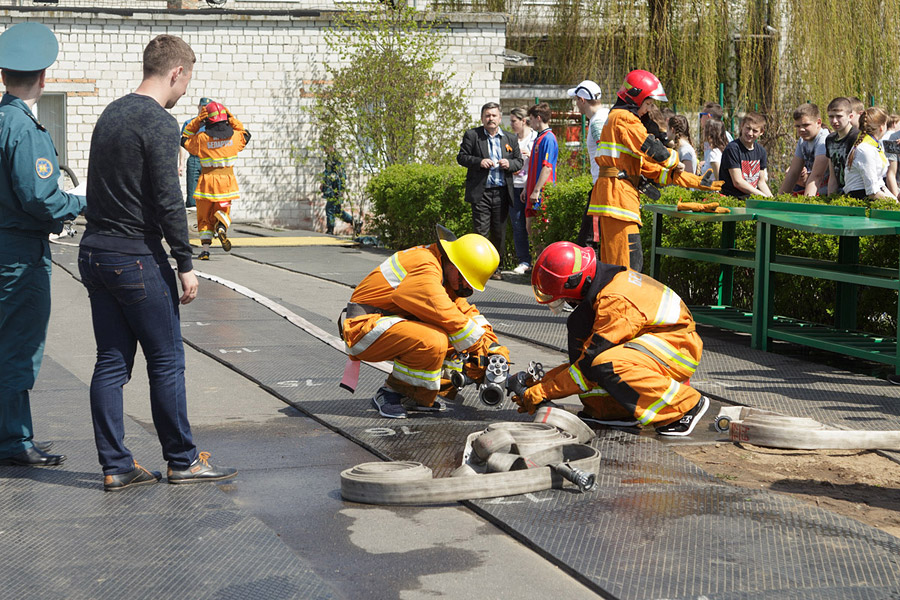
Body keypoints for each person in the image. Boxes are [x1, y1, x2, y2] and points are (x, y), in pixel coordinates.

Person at [80, 34, 236, 491]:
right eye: (186, 80)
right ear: (176, 73)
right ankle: (183, 461)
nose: (185, 91)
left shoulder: (110, 113)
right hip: (135, 257)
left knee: (110, 362)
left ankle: (116, 466)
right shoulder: (160, 124)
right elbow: (169, 200)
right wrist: (185, 262)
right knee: (166, 361)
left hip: (95, 252)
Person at [512, 241, 709, 437]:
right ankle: (611, 412)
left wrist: (544, 391)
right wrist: (542, 382)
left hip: (678, 347)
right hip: (659, 341)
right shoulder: (605, 284)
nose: (569, 303)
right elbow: (582, 361)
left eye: (566, 298)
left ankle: (684, 407)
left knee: (606, 363)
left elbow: (588, 365)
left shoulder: (614, 301)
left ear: (575, 283)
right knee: (594, 359)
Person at [0, 22, 85, 467]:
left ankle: (16, 434)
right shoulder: (24, 128)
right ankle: (13, 441)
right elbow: (41, 198)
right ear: (44, 77)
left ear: (3, 76)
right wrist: (87, 199)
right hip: (20, 254)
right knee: (18, 346)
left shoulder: (1, 120)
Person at [340, 227, 510, 419]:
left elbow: (464, 311)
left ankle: (416, 396)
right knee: (434, 339)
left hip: (384, 324)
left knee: (453, 337)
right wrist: (478, 348)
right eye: (466, 282)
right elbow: (447, 314)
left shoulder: (442, 269)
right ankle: (390, 393)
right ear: (455, 266)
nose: (468, 289)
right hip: (363, 328)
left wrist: (491, 344)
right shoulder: (425, 266)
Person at [583, 70, 722, 270]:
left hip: (615, 198)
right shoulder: (624, 118)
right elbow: (649, 147)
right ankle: (619, 301)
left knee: (618, 266)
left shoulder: (617, 120)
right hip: (618, 200)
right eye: (648, 104)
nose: (648, 110)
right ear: (636, 98)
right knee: (627, 267)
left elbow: (648, 167)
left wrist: (696, 182)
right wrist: (674, 159)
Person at [457, 102, 523, 280]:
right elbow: (461, 157)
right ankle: (478, 267)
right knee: (480, 232)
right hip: (481, 192)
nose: (491, 119)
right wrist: (479, 161)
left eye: (494, 115)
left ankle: (496, 268)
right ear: (482, 118)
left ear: (500, 118)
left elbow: (519, 161)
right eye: (487, 115)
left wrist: (510, 164)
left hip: (501, 192)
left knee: (499, 233)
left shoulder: (510, 138)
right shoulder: (473, 135)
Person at [181, 100, 251, 260]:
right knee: (223, 211)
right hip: (227, 184)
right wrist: (230, 116)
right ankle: (221, 226)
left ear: (207, 121)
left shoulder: (202, 139)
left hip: (206, 184)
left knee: (204, 217)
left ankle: (205, 250)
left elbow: (184, 138)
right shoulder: (235, 137)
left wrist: (198, 120)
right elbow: (245, 132)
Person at [523, 102, 558, 257]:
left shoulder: (549, 139)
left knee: (541, 230)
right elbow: (533, 167)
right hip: (532, 191)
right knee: (531, 228)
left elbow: (547, 167)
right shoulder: (539, 138)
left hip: (541, 193)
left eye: (531, 120)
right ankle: (540, 260)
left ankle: (545, 262)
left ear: (538, 118)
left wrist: (537, 190)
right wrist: (526, 187)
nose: (530, 124)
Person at [843, 106, 897, 201]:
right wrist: (895, 205)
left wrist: (895, 200)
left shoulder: (873, 145)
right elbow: (872, 192)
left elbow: (879, 183)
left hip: (872, 195)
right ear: (881, 127)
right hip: (861, 199)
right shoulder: (865, 149)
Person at [778, 103, 830, 196]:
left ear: (818, 122)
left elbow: (817, 176)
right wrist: (778, 201)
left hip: (828, 194)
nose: (801, 129)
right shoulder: (803, 140)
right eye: (797, 126)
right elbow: (793, 173)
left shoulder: (824, 140)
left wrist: (806, 205)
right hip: (815, 192)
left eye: (806, 125)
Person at [508, 107, 537, 275]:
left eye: (514, 121)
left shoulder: (535, 138)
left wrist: (531, 155)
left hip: (530, 186)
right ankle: (524, 260)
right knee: (518, 224)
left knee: (533, 225)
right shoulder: (511, 139)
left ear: (523, 121)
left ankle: (537, 258)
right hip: (515, 184)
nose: (511, 124)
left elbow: (540, 160)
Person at [719, 111, 773, 199]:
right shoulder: (733, 149)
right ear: (742, 125)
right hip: (733, 200)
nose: (750, 133)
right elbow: (738, 182)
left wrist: (772, 200)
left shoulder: (761, 151)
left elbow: (761, 182)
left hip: (752, 200)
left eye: (755, 131)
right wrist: (762, 197)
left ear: (761, 132)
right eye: (748, 128)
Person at [179, 97, 210, 209]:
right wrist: (181, 164)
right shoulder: (190, 123)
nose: (204, 110)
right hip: (194, 159)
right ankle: (193, 220)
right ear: (198, 107)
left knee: (207, 192)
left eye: (207, 108)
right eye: (202, 107)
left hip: (209, 160)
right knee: (192, 193)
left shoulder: (212, 125)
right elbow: (183, 144)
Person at [825, 97, 860, 195]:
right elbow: (832, 175)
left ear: (850, 116)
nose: (834, 121)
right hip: (840, 192)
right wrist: (830, 198)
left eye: (839, 116)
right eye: (831, 116)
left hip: (856, 191)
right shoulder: (830, 139)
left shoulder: (857, 137)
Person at [321, 146, 354, 235]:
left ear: (331, 147)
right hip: (330, 188)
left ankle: (330, 229)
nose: (324, 150)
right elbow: (327, 173)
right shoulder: (329, 158)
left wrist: (340, 191)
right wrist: (323, 184)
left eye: (325, 148)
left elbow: (340, 175)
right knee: (337, 211)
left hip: (335, 189)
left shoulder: (336, 158)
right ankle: (354, 222)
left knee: (330, 208)